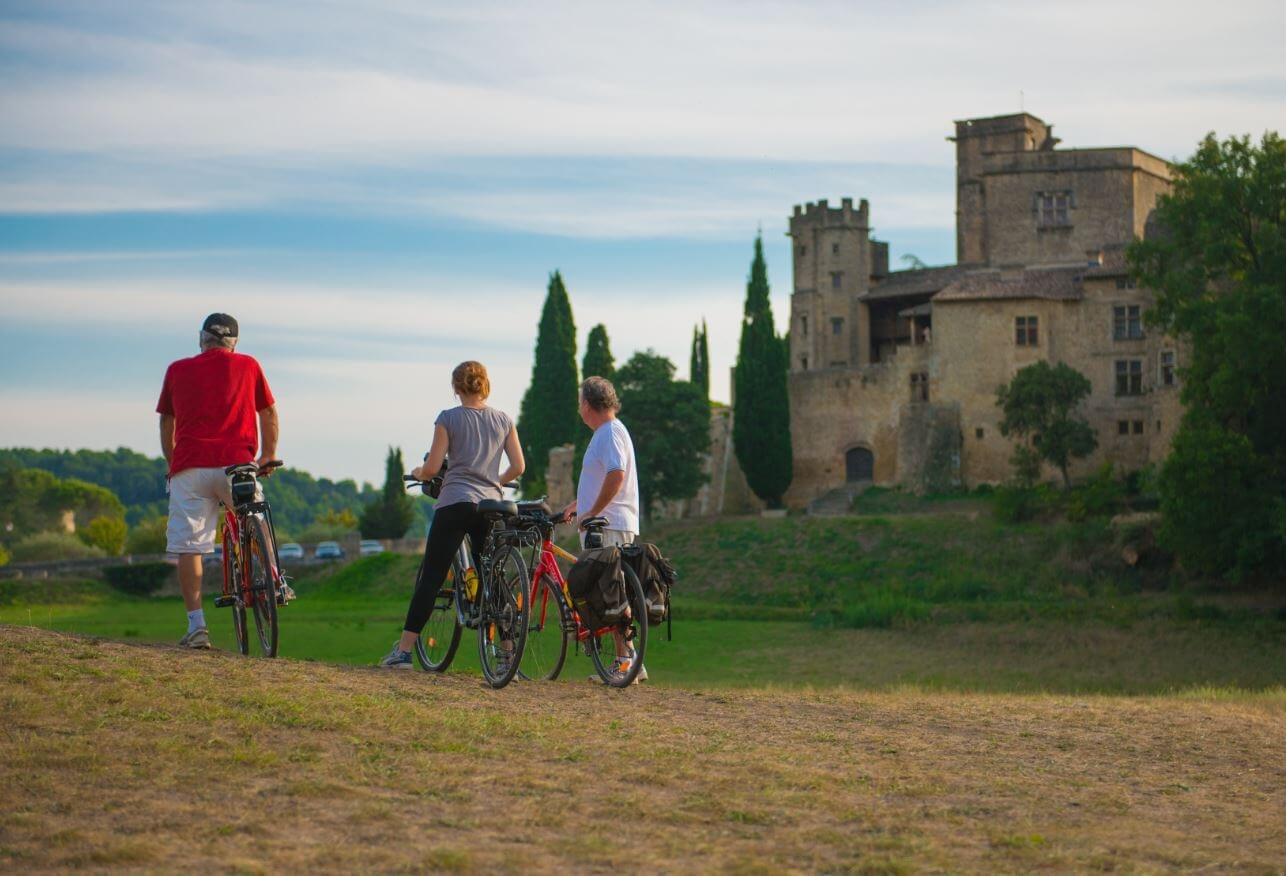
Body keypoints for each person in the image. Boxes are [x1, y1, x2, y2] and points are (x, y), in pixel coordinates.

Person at [379, 361, 524, 669]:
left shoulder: (448, 419)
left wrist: (420, 472)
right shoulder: (503, 420)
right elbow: (519, 467)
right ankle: (507, 652)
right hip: (491, 506)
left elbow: (433, 468)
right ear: (485, 385)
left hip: (456, 501)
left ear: (457, 388)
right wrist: (495, 481)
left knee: (431, 576)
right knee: (492, 576)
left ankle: (403, 652)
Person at [156, 313, 285, 650]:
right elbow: (268, 413)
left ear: (202, 339)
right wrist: (268, 455)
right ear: (235, 343)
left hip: (191, 468)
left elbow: (166, 423)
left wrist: (174, 465)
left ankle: (197, 626)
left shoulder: (177, 370)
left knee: (190, 546)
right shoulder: (249, 365)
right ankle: (273, 579)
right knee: (255, 517)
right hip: (237, 464)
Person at [558, 376, 646, 683]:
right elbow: (603, 479)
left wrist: (592, 512)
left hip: (607, 525)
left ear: (586, 404)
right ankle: (631, 660)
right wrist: (577, 505)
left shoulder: (608, 433)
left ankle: (624, 663)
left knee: (610, 595)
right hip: (612, 522)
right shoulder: (611, 431)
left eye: (579, 402)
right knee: (614, 591)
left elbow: (616, 475)